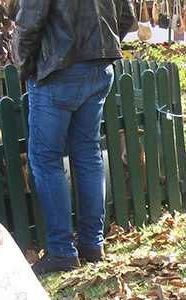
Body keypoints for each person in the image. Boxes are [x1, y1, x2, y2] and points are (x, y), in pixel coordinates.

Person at [16, 0, 135, 276]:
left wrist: (27, 68)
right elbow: (126, 16)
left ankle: (61, 251)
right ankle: (92, 245)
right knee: (87, 152)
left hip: (58, 69)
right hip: (98, 66)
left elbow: (29, 24)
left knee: (46, 159)